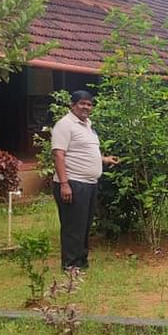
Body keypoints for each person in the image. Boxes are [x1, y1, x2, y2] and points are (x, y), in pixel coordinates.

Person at [50, 91, 118, 272]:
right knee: (73, 226)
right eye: (82, 103)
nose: (86, 107)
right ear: (72, 105)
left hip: (89, 184)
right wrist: (64, 184)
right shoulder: (64, 125)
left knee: (85, 225)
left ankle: (81, 262)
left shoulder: (87, 125)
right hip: (73, 183)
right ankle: (70, 266)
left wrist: (104, 159)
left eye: (89, 104)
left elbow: (83, 151)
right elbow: (58, 154)